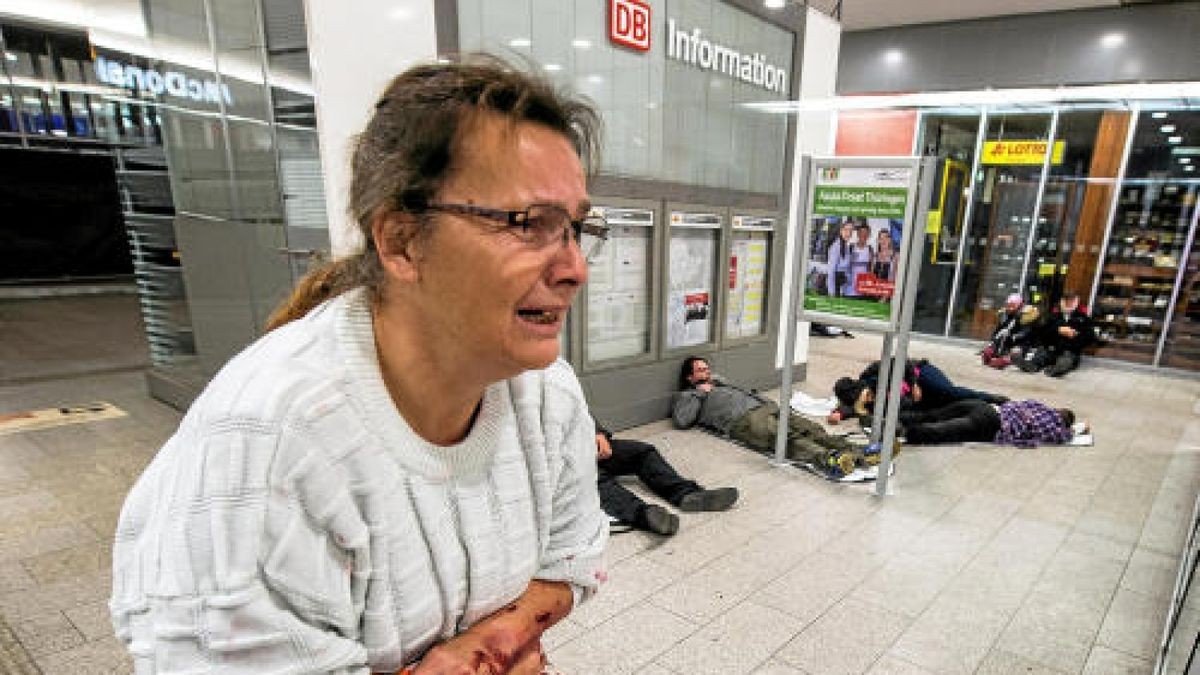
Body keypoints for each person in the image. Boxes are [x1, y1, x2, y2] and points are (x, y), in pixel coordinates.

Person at [109, 57, 611, 674]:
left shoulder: (547, 396)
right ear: (401, 241)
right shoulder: (269, 445)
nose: (574, 268)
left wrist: (482, 650)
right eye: (529, 223)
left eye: (577, 228)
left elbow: (571, 558)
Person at [671, 356, 869, 477]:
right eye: (701, 370)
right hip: (743, 420)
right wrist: (700, 392)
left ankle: (854, 451)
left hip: (764, 407)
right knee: (787, 438)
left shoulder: (719, 382)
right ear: (690, 377)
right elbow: (682, 420)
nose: (707, 372)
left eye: (707, 368)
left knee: (811, 428)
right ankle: (828, 459)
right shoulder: (688, 395)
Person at [595, 423, 738, 536]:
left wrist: (600, 434)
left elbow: (583, 411)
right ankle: (644, 515)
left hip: (588, 445)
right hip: (573, 461)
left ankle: (685, 494)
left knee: (642, 452)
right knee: (595, 478)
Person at [828, 358, 1008, 425]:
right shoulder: (863, 401)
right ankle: (985, 408)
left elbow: (902, 362)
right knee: (947, 405)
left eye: (868, 394)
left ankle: (992, 398)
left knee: (947, 391)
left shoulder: (873, 371)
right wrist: (838, 414)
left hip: (919, 374)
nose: (870, 398)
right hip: (916, 398)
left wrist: (914, 384)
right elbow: (849, 407)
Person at [898, 398, 1079, 447]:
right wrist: (1076, 430)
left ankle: (897, 418)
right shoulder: (1053, 427)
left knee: (935, 414)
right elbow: (1062, 436)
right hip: (990, 423)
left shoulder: (1038, 406)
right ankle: (903, 432)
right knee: (945, 430)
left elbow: (1014, 403)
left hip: (986, 407)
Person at [1038, 291, 1096, 377]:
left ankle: (1056, 369)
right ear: (1061, 302)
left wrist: (1075, 335)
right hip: (1052, 350)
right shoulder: (1052, 317)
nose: (1068, 303)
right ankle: (1031, 365)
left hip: (1069, 352)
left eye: (1072, 301)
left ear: (1076, 303)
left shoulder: (1083, 319)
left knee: (1066, 359)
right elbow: (1042, 333)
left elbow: (1090, 337)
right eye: (1066, 301)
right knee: (1041, 355)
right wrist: (1058, 330)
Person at [982, 294, 1040, 369]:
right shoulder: (1006, 314)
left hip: (1023, 343)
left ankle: (1009, 359)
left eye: (1012, 305)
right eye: (1008, 305)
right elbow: (999, 330)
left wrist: (1013, 336)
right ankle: (995, 352)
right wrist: (993, 343)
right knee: (991, 348)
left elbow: (1027, 333)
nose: (1010, 308)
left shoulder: (1027, 314)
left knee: (1016, 352)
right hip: (1009, 340)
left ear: (1019, 305)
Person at [846, 222, 875, 296]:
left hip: (863, 289)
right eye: (861, 232)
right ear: (858, 234)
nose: (863, 235)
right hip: (849, 288)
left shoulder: (870, 249)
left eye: (866, 233)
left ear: (869, 235)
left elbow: (871, 270)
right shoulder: (850, 248)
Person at [825, 221, 853, 296]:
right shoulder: (836, 247)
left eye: (851, 230)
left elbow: (846, 268)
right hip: (835, 286)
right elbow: (831, 272)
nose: (849, 233)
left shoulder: (845, 246)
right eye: (846, 230)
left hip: (842, 285)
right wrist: (832, 293)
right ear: (841, 231)